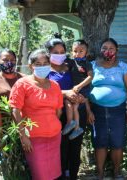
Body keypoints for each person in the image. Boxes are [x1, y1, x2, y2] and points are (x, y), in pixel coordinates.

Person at [9, 49, 63, 180]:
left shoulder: (55, 85)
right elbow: (15, 109)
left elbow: (58, 110)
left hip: (54, 136)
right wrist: (23, 136)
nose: (42, 66)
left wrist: (53, 125)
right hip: (34, 138)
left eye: (45, 63)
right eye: (38, 64)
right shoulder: (22, 84)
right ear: (30, 66)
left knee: (54, 173)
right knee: (40, 174)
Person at [89, 38, 127, 179]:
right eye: (104, 48)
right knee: (99, 142)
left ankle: (116, 171)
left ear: (117, 50)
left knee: (117, 142)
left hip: (118, 110)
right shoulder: (92, 66)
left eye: (111, 48)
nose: (107, 51)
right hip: (97, 110)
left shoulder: (124, 68)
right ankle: (100, 172)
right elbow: (85, 90)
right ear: (100, 50)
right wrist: (88, 111)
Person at [45, 37, 88, 180]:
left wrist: (82, 97)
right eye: (55, 52)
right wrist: (65, 93)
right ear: (48, 53)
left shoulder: (72, 66)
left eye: (62, 51)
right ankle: (62, 175)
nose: (59, 54)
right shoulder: (44, 71)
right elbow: (43, 90)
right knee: (61, 149)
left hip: (77, 111)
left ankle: (73, 176)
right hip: (57, 115)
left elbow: (83, 83)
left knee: (75, 148)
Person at [62, 39, 93, 140]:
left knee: (73, 104)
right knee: (70, 104)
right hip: (74, 89)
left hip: (82, 89)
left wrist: (80, 86)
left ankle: (74, 125)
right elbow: (64, 66)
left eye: (81, 51)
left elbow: (90, 77)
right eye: (75, 51)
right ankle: (74, 125)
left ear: (86, 52)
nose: (77, 53)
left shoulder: (87, 64)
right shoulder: (72, 62)